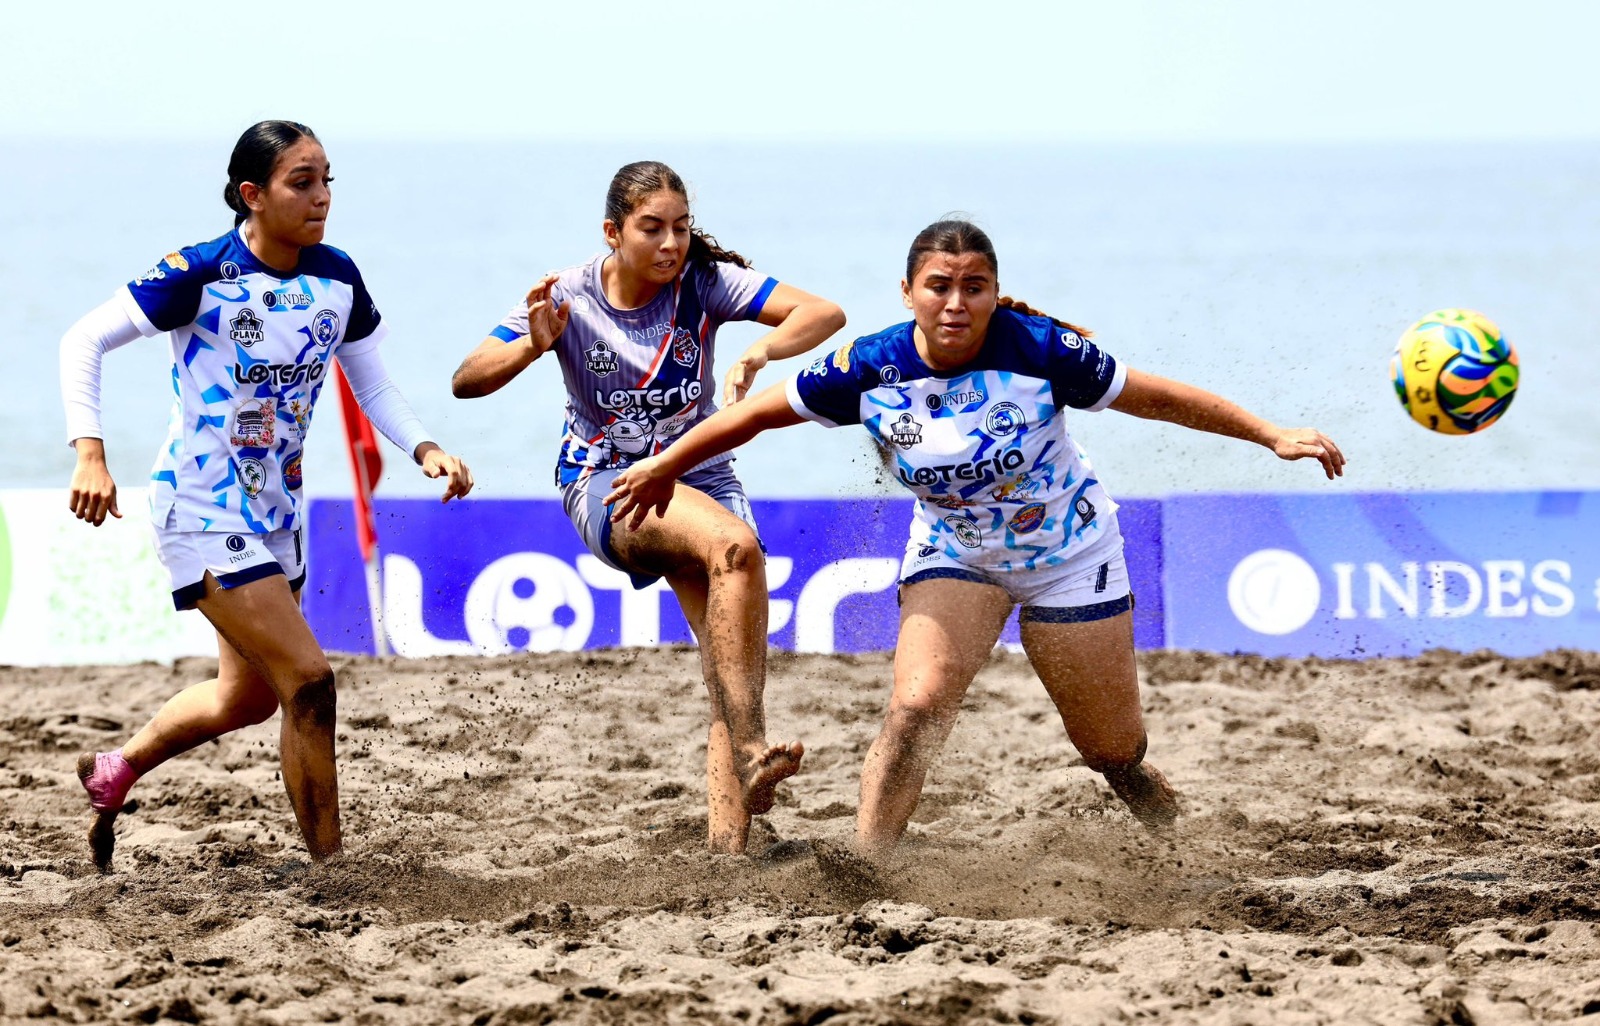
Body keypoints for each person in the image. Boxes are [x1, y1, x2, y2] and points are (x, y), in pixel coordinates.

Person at [605, 218, 1347, 859]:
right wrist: (666, 465)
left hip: (1069, 556)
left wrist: (1269, 433)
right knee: (916, 705)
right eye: (938, 286)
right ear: (907, 292)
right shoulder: (871, 363)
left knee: (1110, 749)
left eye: (974, 287)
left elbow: (1155, 397)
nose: (956, 304)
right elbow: (757, 415)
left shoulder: (1040, 349)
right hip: (956, 551)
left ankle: (1136, 781)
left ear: (995, 292)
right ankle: (868, 867)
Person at [59, 120, 474, 871]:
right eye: (301, 182)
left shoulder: (337, 277)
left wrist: (425, 447)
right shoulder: (202, 271)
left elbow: (370, 379)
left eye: (326, 181)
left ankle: (113, 768)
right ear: (253, 195)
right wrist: (90, 452)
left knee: (244, 698)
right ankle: (335, 871)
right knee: (310, 682)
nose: (321, 198)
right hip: (199, 503)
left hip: (276, 511)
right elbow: (82, 340)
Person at [451, 161, 847, 854]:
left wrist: (760, 349)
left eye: (682, 228)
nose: (671, 244)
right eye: (652, 229)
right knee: (736, 549)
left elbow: (824, 314)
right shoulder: (568, 295)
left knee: (729, 666)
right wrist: (532, 349)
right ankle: (755, 745)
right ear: (613, 231)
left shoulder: (704, 283)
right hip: (609, 483)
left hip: (704, 479)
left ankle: (727, 857)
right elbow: (466, 380)